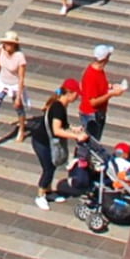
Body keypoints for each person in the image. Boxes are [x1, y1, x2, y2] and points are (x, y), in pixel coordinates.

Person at [32, 80, 86, 211]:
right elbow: (57, 130)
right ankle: (40, 196)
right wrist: (76, 136)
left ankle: (49, 192)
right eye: (76, 94)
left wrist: (74, 128)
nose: (78, 97)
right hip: (42, 143)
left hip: (44, 141)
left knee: (52, 166)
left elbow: (63, 124)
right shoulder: (58, 108)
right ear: (69, 93)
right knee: (48, 169)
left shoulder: (61, 105)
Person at [78, 44, 126, 140]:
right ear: (105, 58)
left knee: (92, 142)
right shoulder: (92, 75)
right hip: (92, 115)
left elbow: (91, 87)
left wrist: (111, 87)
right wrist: (111, 94)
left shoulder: (96, 70)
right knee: (91, 144)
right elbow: (93, 102)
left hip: (96, 113)